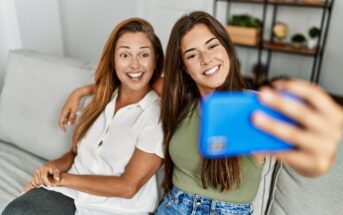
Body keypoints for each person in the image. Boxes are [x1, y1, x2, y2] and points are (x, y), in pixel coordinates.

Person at [57, 12, 343, 215]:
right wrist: (82, 92)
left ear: (227, 49)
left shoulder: (252, 109)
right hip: (174, 207)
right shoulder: (178, 101)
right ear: (184, 67)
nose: (206, 60)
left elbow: (309, 150)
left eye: (212, 46)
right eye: (192, 54)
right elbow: (132, 78)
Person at [2, 18, 165, 215]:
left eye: (144, 54)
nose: (135, 64)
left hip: (116, 209)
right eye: (125, 55)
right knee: (17, 211)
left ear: (155, 61)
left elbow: (127, 187)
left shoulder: (155, 115)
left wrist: (61, 178)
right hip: (70, 194)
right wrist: (51, 168)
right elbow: (74, 154)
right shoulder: (98, 100)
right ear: (113, 60)